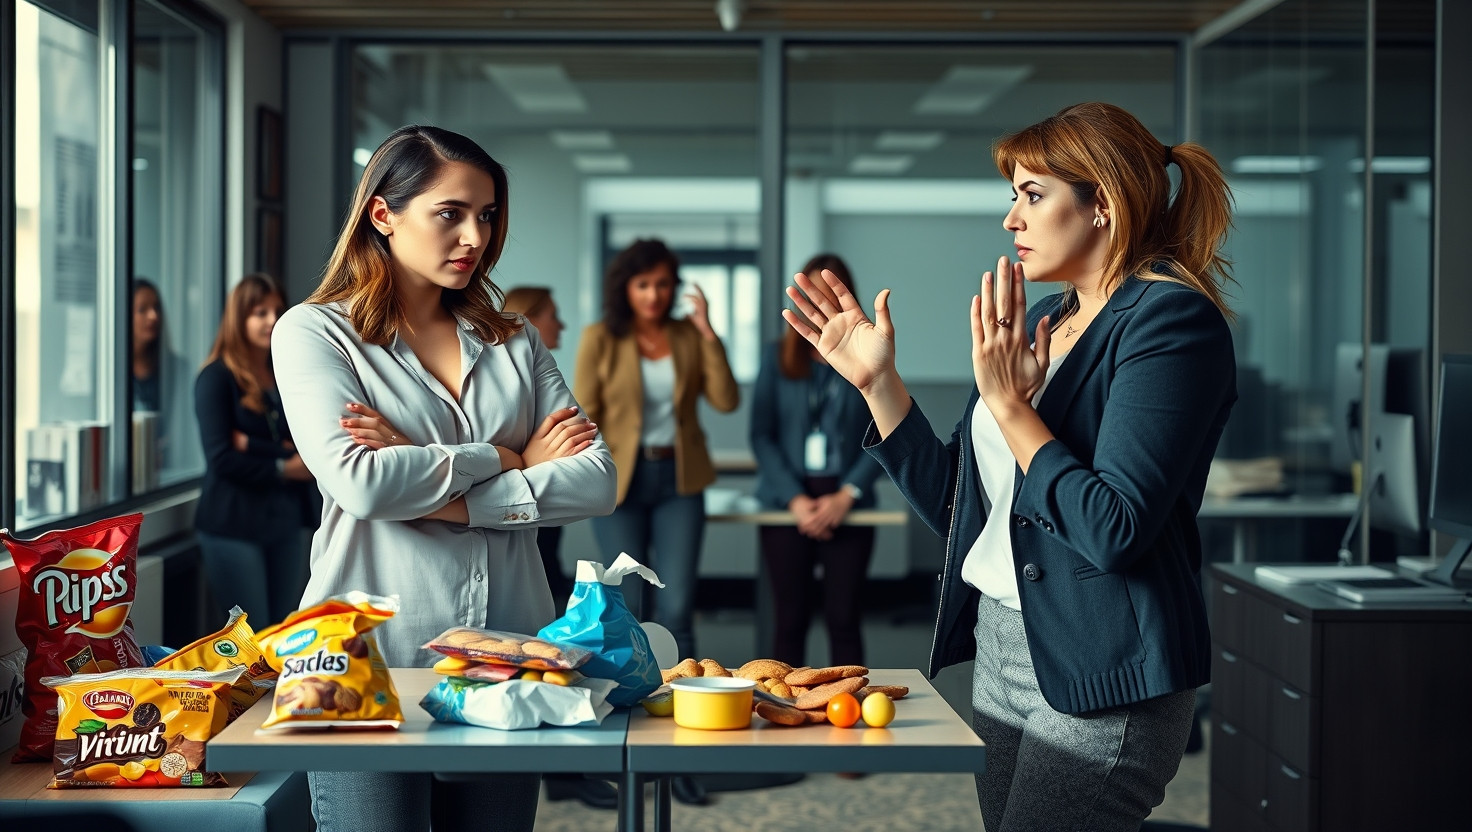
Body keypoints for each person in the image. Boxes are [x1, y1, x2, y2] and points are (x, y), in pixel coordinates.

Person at [782, 102, 1237, 832]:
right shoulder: (1041, 325)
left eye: (1033, 195)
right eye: (1012, 197)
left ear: (1104, 204)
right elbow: (967, 510)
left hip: (1101, 662)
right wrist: (879, 386)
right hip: (1003, 643)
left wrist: (1013, 407)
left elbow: (1115, 529)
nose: (1011, 219)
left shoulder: (1170, 321)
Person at [271, 125, 616, 832]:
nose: (475, 237)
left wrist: (442, 487)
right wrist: (503, 455)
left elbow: (597, 481)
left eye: (486, 216)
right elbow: (360, 485)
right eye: (450, 213)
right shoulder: (313, 333)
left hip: (508, 668)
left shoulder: (515, 339)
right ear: (382, 214)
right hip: (361, 667)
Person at [573, 238, 739, 663]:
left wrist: (707, 332)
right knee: (627, 602)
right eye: (643, 284)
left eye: (663, 284)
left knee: (678, 606)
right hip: (619, 480)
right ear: (625, 288)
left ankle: (685, 696)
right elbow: (582, 412)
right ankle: (633, 697)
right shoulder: (601, 338)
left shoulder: (687, 336)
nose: (653, 295)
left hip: (679, 479)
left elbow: (726, 400)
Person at [750, 253, 884, 668]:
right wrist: (793, 498)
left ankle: (852, 718)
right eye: (811, 292)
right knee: (789, 619)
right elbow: (762, 435)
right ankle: (780, 715)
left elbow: (883, 433)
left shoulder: (866, 352)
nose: (819, 302)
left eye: (829, 292)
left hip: (847, 499)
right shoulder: (777, 359)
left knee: (844, 618)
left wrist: (847, 495)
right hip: (788, 501)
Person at [193, 273, 318, 625]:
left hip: (285, 520)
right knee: (253, 637)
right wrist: (284, 465)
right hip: (234, 523)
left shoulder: (286, 373)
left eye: (277, 310)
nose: (272, 321)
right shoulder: (215, 378)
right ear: (239, 318)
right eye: (259, 312)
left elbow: (307, 441)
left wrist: (252, 444)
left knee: (282, 633)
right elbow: (222, 458)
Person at [500, 286, 573, 607]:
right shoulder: (503, 386)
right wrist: (527, 460)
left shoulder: (541, 379)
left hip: (541, 510)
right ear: (527, 322)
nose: (562, 325)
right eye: (554, 317)